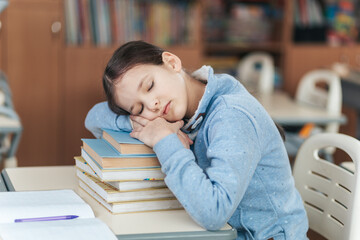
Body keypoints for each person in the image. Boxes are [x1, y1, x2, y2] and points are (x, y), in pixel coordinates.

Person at [85, 40, 309, 239]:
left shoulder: (230, 115)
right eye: (138, 107)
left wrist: (164, 139)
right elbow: (94, 118)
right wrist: (140, 122)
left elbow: (214, 213)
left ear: (172, 63)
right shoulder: (187, 107)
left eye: (150, 86)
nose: (151, 104)